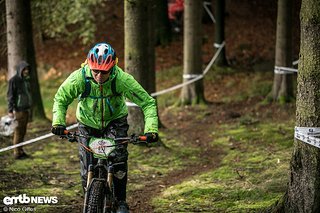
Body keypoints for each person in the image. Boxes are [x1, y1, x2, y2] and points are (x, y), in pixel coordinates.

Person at [51, 42, 158, 213]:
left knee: (118, 161)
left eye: (104, 71)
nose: (99, 76)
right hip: (87, 123)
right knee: (87, 167)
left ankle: (121, 201)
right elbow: (61, 98)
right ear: (89, 65)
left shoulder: (121, 79)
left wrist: (151, 129)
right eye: (96, 71)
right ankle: (89, 198)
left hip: (114, 121)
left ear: (113, 67)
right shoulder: (79, 78)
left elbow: (148, 103)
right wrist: (58, 123)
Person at [7, 61, 32, 159]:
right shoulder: (13, 80)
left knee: (24, 131)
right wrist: (10, 110)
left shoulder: (26, 81)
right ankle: (16, 153)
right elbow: (10, 96)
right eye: (24, 69)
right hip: (18, 111)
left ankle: (21, 150)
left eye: (27, 69)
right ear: (20, 70)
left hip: (26, 110)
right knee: (18, 132)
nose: (26, 71)